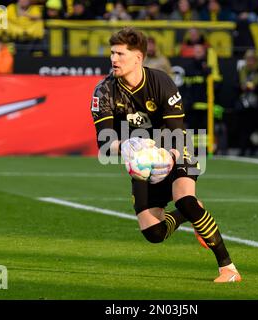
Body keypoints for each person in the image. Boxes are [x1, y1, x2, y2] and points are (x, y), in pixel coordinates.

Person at [90, 27, 241, 283]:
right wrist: (124, 146)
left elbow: (177, 131)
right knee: (154, 233)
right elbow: (105, 143)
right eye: (112, 53)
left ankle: (228, 268)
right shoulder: (103, 91)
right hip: (141, 157)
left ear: (138, 58)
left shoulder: (161, 82)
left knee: (184, 198)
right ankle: (189, 214)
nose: (113, 59)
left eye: (120, 54)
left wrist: (168, 157)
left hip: (173, 146)